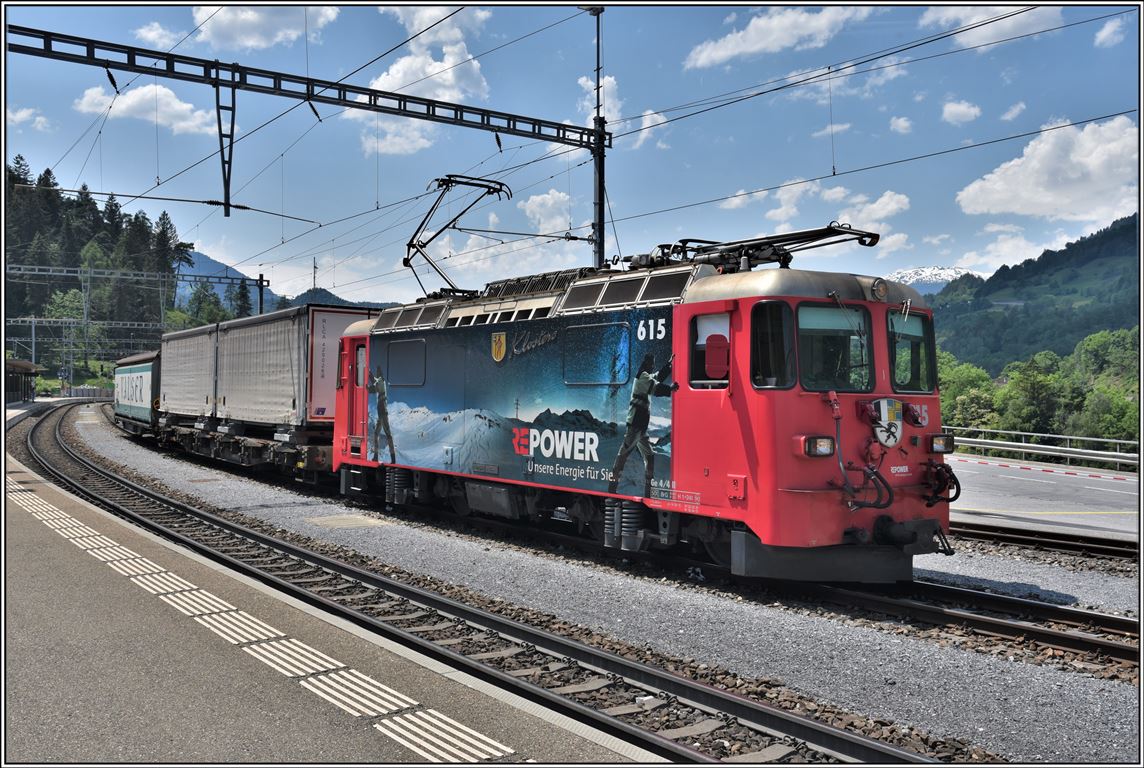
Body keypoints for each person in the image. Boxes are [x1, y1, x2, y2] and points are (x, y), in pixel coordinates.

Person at [608, 353, 676, 497]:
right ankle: (612, 488)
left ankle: (648, 491)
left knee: (649, 456)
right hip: (635, 425)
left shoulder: (646, 377)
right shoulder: (643, 377)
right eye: (652, 363)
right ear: (647, 363)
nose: (653, 366)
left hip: (641, 427)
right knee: (623, 455)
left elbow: (657, 377)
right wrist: (670, 389)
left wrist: (669, 365)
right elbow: (656, 389)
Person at [367, 367, 396, 464]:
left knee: (388, 435)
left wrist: (367, 388)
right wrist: (369, 372)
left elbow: (374, 388)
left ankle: (393, 459)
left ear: (380, 373)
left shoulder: (381, 381)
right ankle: (375, 456)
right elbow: (373, 380)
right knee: (376, 434)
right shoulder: (379, 380)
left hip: (383, 412)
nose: (377, 373)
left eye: (378, 372)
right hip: (380, 412)